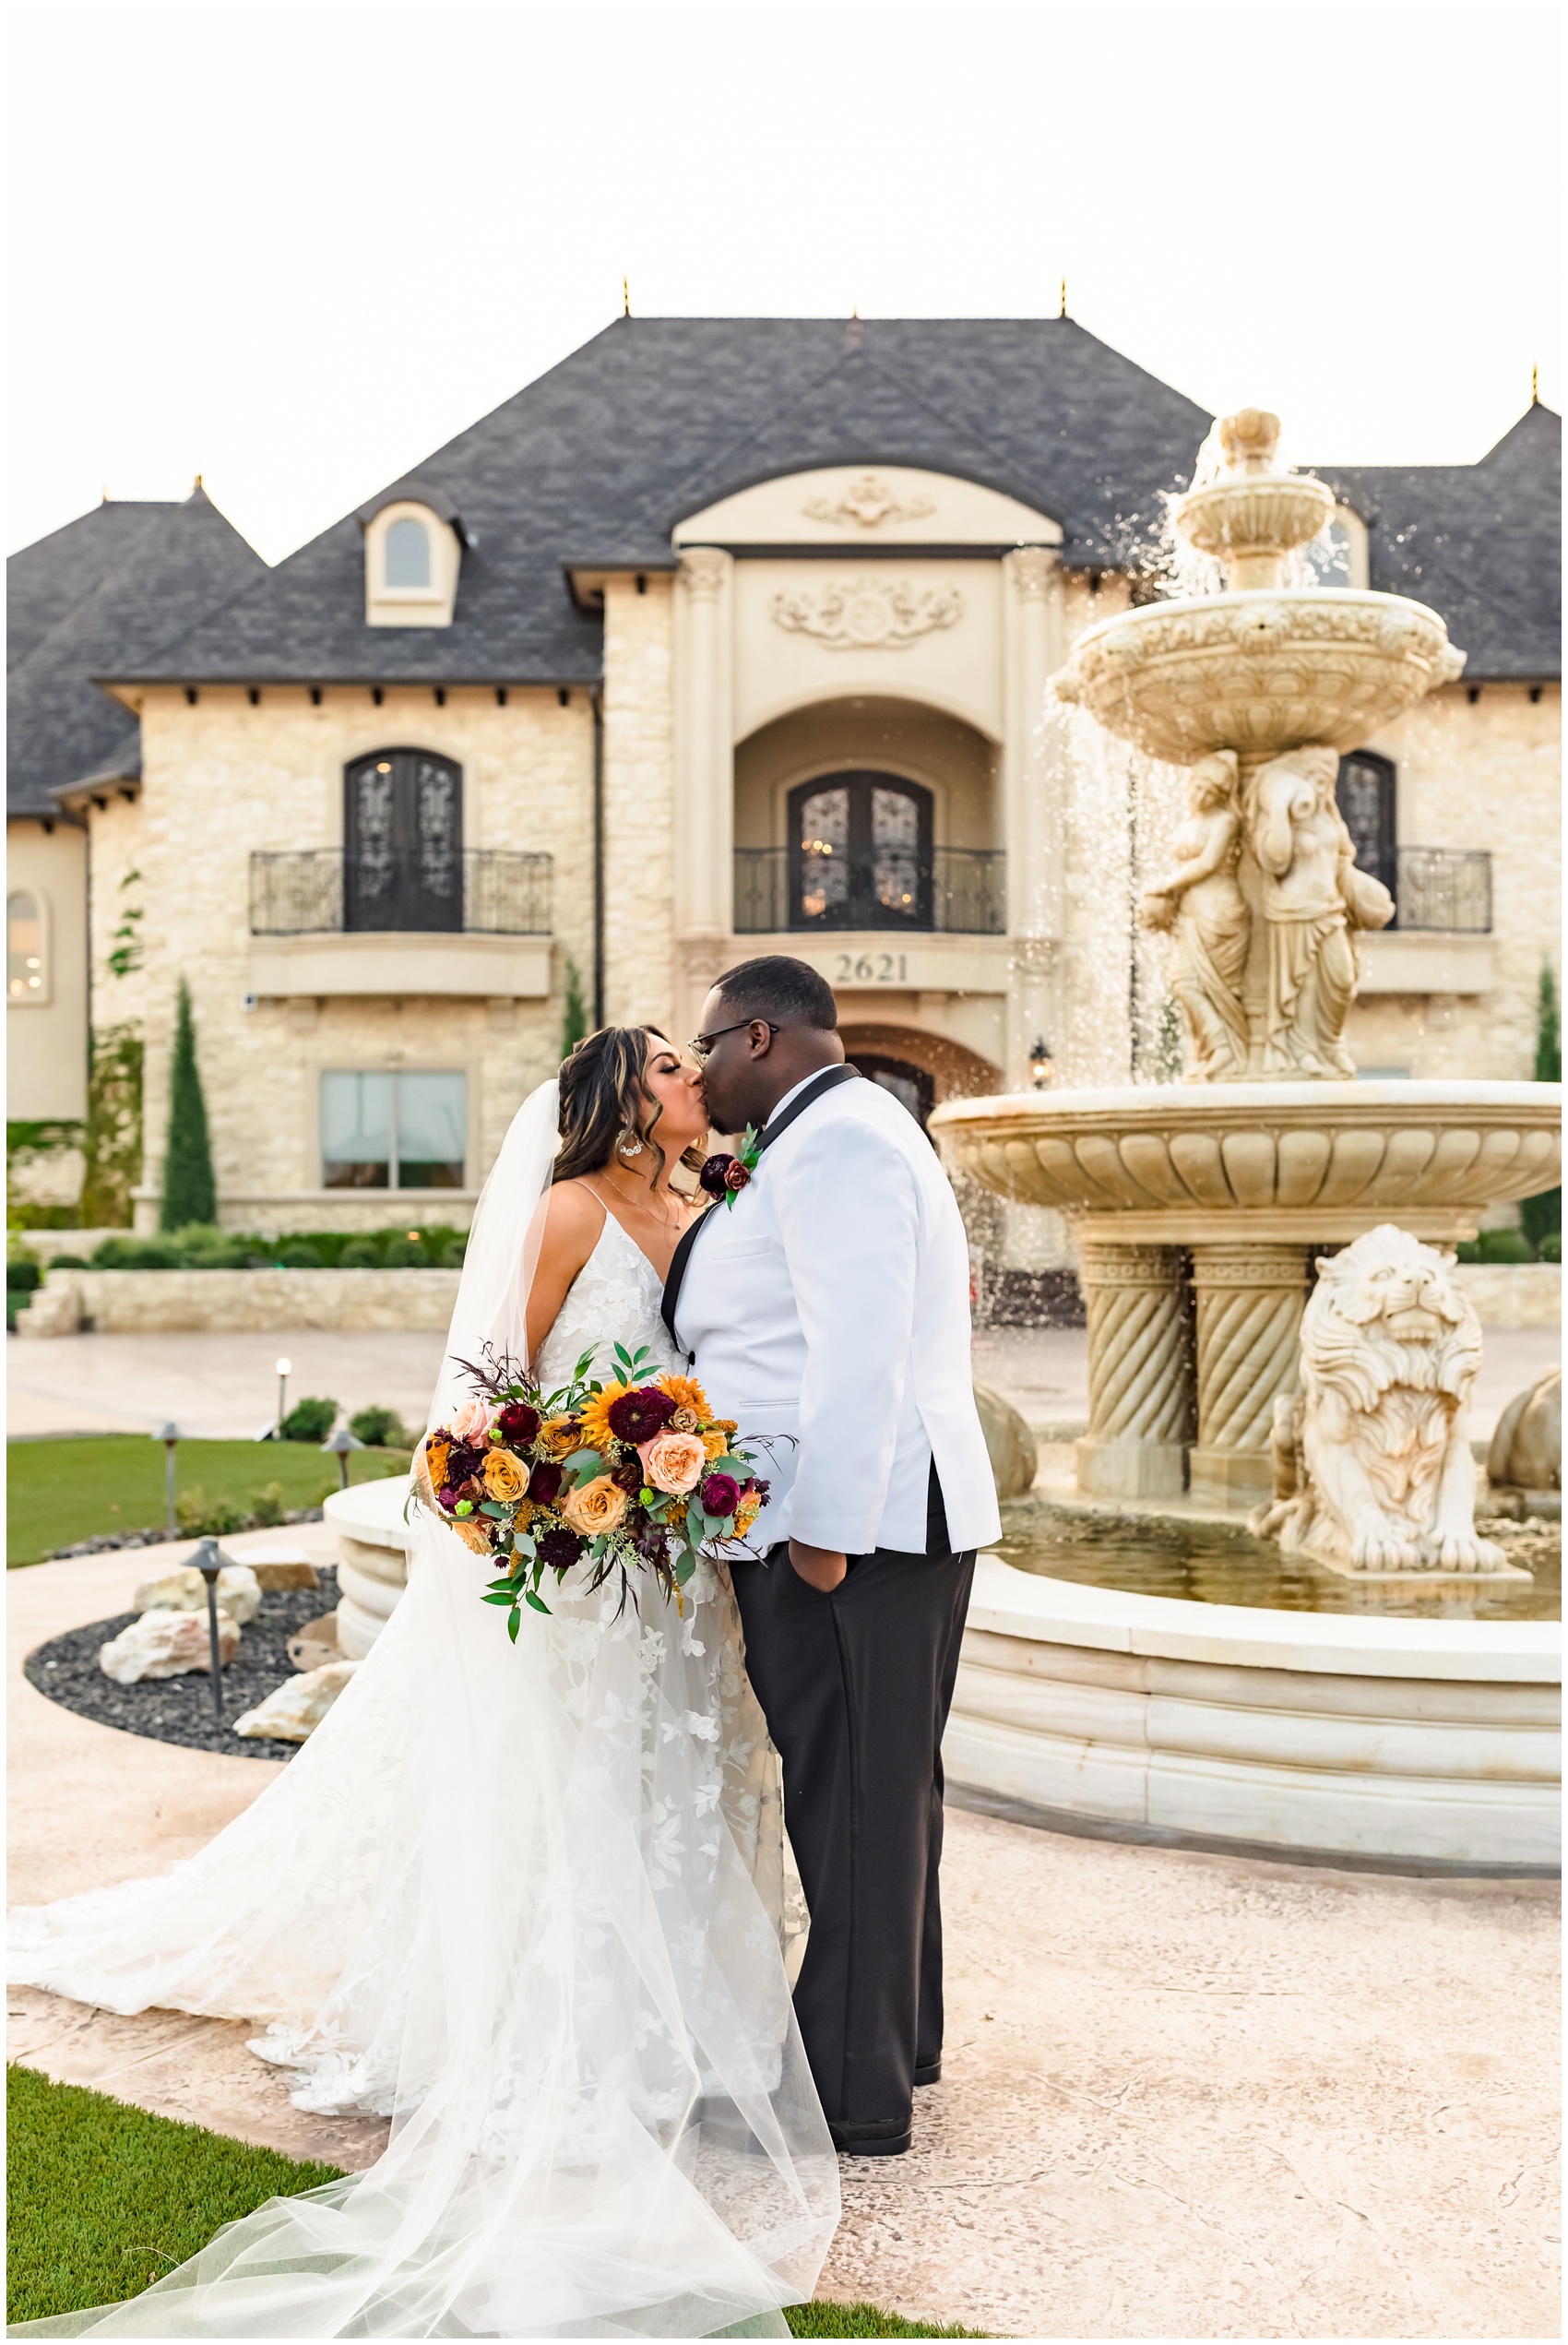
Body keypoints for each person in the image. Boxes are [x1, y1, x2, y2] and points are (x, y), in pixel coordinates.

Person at [7, 1027, 838, 2340]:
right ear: (625, 1100)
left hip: (670, 1567)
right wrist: (561, 1492)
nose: (694, 1076)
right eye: (671, 1064)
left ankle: (690, 2021)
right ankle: (559, 2031)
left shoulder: (695, 1201)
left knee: (665, 1775)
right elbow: (485, 1400)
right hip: (572, 1561)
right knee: (566, 1788)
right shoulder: (570, 1209)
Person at [665, 956, 1000, 2160]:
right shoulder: (839, 1130)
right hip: (893, 1523)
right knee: (887, 1787)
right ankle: (897, 2038)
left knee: (852, 1798)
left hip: (861, 1534)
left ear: (760, 1034)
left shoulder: (841, 1142)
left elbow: (858, 1352)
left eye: (708, 1045)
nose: (701, 1070)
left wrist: (821, 1537)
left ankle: (848, 2091)